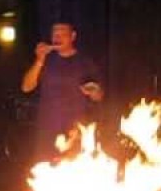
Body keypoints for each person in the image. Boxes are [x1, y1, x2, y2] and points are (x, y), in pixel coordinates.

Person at [21, 20, 104, 160]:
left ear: (73, 36)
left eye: (62, 34)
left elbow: (99, 96)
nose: (57, 38)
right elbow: (26, 87)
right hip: (47, 129)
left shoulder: (85, 62)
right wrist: (39, 60)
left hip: (75, 131)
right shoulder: (46, 61)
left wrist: (94, 92)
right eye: (55, 34)